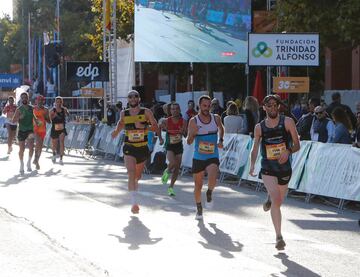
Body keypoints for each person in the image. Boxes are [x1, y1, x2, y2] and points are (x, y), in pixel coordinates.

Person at [249, 95, 300, 250]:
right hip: (268, 168)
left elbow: (297, 144)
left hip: (284, 168)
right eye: (268, 106)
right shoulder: (259, 127)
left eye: (274, 105)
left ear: (278, 106)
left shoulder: (288, 122)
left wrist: (288, 151)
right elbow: (255, 148)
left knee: (279, 201)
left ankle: (270, 198)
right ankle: (278, 236)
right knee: (277, 200)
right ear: (264, 107)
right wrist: (252, 165)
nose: (272, 108)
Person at [111, 90, 163, 214]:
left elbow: (156, 127)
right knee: (131, 173)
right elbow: (120, 124)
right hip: (129, 147)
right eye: (130, 97)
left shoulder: (146, 112)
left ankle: (134, 192)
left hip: (142, 148)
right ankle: (134, 203)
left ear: (139, 98)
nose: (133, 98)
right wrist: (115, 132)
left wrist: (144, 127)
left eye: (135, 96)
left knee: (137, 177)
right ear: (128, 99)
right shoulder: (124, 113)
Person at [187, 95, 224, 220]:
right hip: (199, 156)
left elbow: (221, 128)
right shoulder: (194, 121)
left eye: (209, 106)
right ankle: (199, 208)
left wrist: (221, 139)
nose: (207, 108)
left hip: (212, 154)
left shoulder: (216, 118)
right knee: (198, 185)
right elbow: (189, 141)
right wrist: (193, 133)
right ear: (199, 106)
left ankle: (209, 192)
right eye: (204, 106)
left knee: (213, 176)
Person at [160, 102, 187, 196]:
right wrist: (160, 138)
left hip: (178, 145)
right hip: (169, 145)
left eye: (176, 109)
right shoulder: (166, 121)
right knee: (172, 163)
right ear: (170, 111)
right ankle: (167, 171)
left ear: (179, 110)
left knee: (177, 168)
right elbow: (158, 128)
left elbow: (185, 135)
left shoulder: (183, 121)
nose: (174, 110)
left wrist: (182, 132)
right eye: (172, 109)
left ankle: (171, 187)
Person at [11, 92, 35, 174]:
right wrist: (19, 117)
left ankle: (29, 163)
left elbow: (34, 117)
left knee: (31, 147)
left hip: (30, 130)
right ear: (21, 99)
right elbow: (13, 120)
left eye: (26, 97)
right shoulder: (19, 109)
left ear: (28, 99)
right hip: (21, 130)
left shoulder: (32, 108)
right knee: (22, 149)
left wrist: (37, 121)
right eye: (23, 98)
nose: (24, 99)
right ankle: (21, 164)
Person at [32, 95, 50, 170]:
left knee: (40, 146)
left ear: (43, 101)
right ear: (36, 101)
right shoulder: (33, 108)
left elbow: (49, 121)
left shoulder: (46, 110)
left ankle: (37, 161)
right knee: (38, 143)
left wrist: (46, 117)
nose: (39, 101)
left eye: (41, 100)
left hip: (43, 130)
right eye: (38, 100)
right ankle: (35, 159)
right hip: (35, 128)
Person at [50, 96, 69, 165]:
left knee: (61, 142)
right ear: (55, 103)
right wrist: (53, 116)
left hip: (62, 128)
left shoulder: (64, 109)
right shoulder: (53, 110)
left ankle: (61, 159)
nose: (58, 103)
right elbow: (49, 119)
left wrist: (66, 112)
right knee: (54, 144)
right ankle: (54, 154)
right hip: (54, 128)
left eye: (60, 102)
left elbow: (68, 115)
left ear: (62, 102)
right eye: (57, 102)